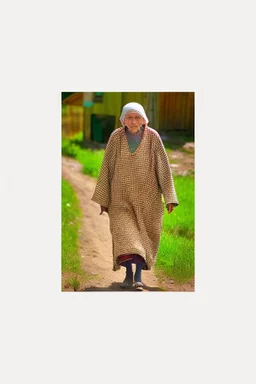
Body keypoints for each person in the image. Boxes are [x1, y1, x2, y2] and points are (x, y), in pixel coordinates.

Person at [91, 102, 178, 291]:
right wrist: (104, 199)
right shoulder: (116, 137)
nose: (133, 121)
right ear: (123, 119)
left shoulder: (153, 137)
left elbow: (163, 167)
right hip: (120, 198)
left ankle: (138, 275)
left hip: (148, 199)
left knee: (142, 237)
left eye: (137, 117)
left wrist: (169, 197)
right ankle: (128, 274)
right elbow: (107, 167)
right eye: (129, 117)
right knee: (125, 236)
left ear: (144, 119)